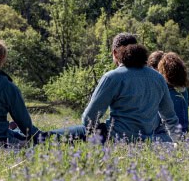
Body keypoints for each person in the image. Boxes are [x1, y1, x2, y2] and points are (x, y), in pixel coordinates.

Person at [50, 33, 180, 143]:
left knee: (49, 137)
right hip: (147, 140)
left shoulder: (112, 77)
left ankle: (35, 138)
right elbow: (170, 118)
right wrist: (180, 144)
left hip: (114, 138)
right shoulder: (158, 78)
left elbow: (88, 119)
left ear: (114, 53)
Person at [148, 51, 189, 139]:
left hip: (167, 137)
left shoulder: (165, 91)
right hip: (183, 135)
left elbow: (155, 123)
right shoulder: (182, 89)